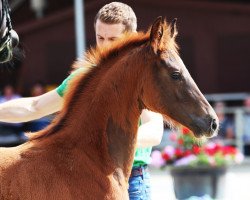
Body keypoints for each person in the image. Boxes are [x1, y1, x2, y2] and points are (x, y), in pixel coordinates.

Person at [0, 2, 163, 199]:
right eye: (100, 38)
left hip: (131, 180)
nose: (105, 45)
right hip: (86, 179)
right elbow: (34, 107)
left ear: (131, 38)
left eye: (113, 39)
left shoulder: (140, 80)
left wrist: (104, 142)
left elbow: (155, 131)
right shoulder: (85, 78)